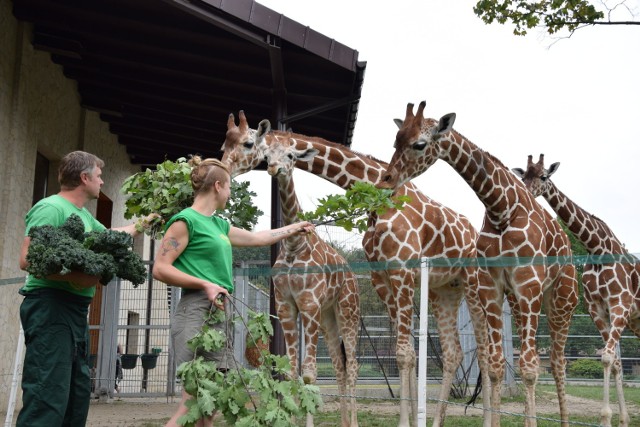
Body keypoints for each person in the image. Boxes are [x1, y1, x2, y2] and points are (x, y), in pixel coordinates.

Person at [152, 156, 314, 427]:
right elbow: (159, 268)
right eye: (229, 187)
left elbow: (258, 238)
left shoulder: (219, 225)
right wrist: (205, 283)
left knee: (211, 404)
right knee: (192, 403)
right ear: (218, 186)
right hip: (195, 312)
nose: (229, 192)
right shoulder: (185, 221)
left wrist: (295, 227)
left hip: (219, 314)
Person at [17, 150, 154, 427]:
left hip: (74, 312)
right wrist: (76, 277)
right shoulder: (51, 208)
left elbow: (110, 236)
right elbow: (27, 259)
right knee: (48, 393)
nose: (102, 182)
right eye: (99, 176)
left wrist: (144, 223)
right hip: (50, 308)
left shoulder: (83, 216)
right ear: (84, 177)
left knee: (75, 395)